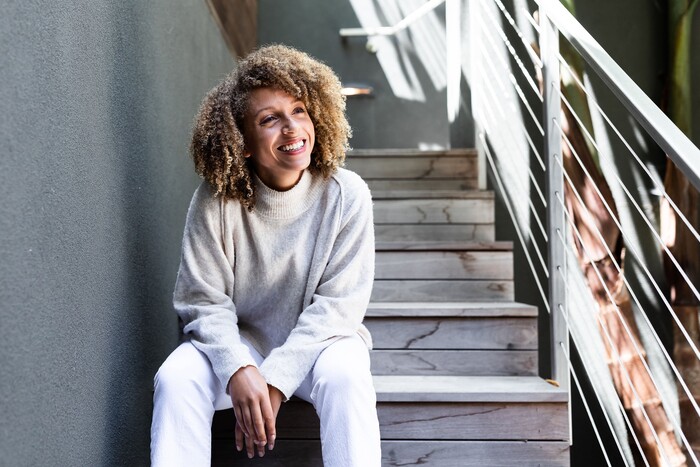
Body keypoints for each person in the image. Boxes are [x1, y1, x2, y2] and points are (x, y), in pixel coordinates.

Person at [150, 44, 382, 466]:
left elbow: (337, 309)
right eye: (270, 119)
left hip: (320, 348)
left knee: (348, 373)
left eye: (299, 110)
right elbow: (202, 300)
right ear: (242, 144)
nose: (293, 129)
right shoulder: (215, 201)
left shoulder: (348, 196)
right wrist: (239, 369)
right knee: (175, 378)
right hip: (243, 344)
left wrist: (274, 382)